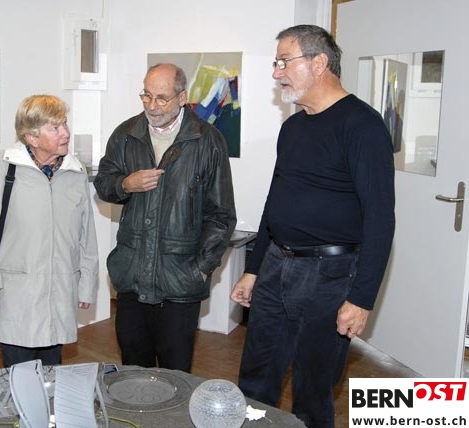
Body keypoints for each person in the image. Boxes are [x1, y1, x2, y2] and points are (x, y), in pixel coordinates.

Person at [230, 25, 395, 428]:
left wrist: (361, 299)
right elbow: (275, 201)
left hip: (330, 275)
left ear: (319, 63)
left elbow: (380, 218)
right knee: (255, 379)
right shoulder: (294, 126)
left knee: (312, 389)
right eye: (276, 63)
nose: (276, 72)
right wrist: (253, 268)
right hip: (276, 265)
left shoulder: (363, 125)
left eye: (284, 62)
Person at [94, 63, 236, 373]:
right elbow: (103, 183)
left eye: (162, 98)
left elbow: (221, 215)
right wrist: (125, 184)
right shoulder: (126, 135)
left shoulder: (208, 141)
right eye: (146, 95)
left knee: (176, 375)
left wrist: (202, 268)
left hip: (180, 280)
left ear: (182, 98)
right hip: (131, 276)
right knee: (133, 372)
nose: (152, 105)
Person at [0, 94, 99, 368]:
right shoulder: (3, 167)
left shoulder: (74, 172)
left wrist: (86, 284)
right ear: (31, 137)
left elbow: (86, 235)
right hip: (17, 294)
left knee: (52, 374)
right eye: (55, 127)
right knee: (20, 376)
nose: (65, 133)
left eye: (64, 124)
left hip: (60, 291)